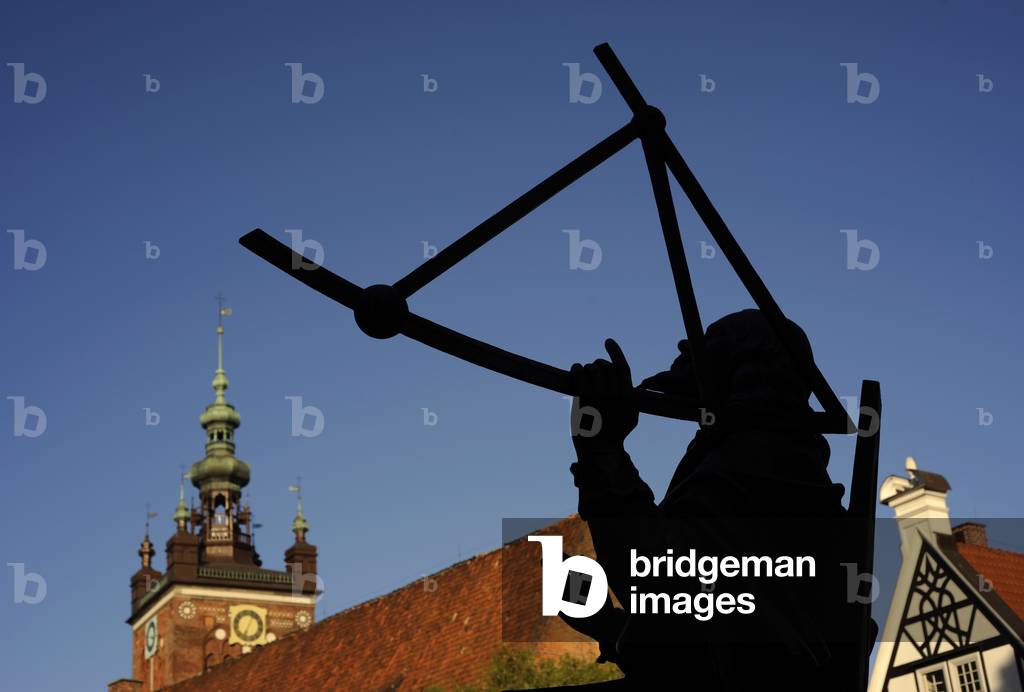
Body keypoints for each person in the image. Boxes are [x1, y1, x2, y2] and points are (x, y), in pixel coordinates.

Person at [529, 309, 859, 690]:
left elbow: (661, 583)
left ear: (750, 364)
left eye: (712, 339)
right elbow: (706, 622)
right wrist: (605, 622)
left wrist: (600, 450)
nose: (686, 345)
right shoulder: (770, 462)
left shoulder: (758, 460)